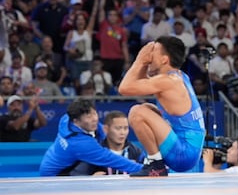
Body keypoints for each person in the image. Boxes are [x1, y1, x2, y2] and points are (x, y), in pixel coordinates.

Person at [118, 36, 205, 176]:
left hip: (183, 154)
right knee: (147, 108)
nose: (150, 56)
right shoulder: (178, 76)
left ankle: (155, 164)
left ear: (164, 59)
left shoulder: (167, 81)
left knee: (137, 112)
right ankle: (156, 163)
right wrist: (145, 63)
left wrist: (140, 60)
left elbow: (124, 88)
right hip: (188, 151)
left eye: (154, 52)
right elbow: (138, 81)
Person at [39, 98, 143, 176]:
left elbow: (101, 131)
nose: (94, 119)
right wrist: (143, 169)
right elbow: (110, 159)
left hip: (56, 159)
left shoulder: (67, 119)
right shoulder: (80, 144)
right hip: (54, 176)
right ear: (76, 121)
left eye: (94, 113)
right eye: (89, 117)